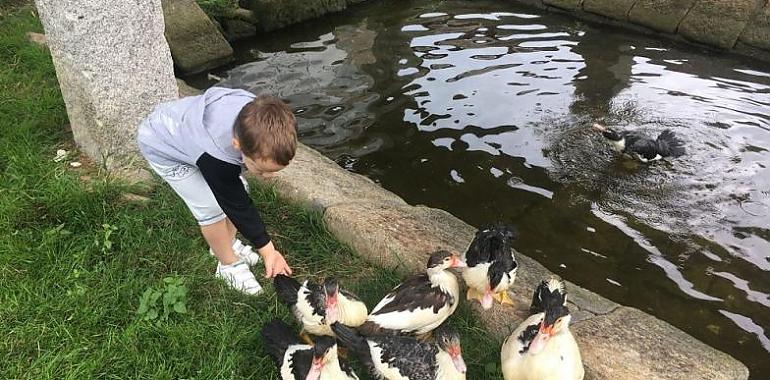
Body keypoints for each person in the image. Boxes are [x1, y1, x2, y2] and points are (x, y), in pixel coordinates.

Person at [137, 87, 295, 295]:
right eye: (261, 170)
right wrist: (268, 250)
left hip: (188, 136)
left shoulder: (257, 117)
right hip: (163, 147)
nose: (268, 177)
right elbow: (235, 203)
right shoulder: (216, 154)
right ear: (237, 144)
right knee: (211, 207)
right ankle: (228, 265)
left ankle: (225, 244)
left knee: (239, 189)